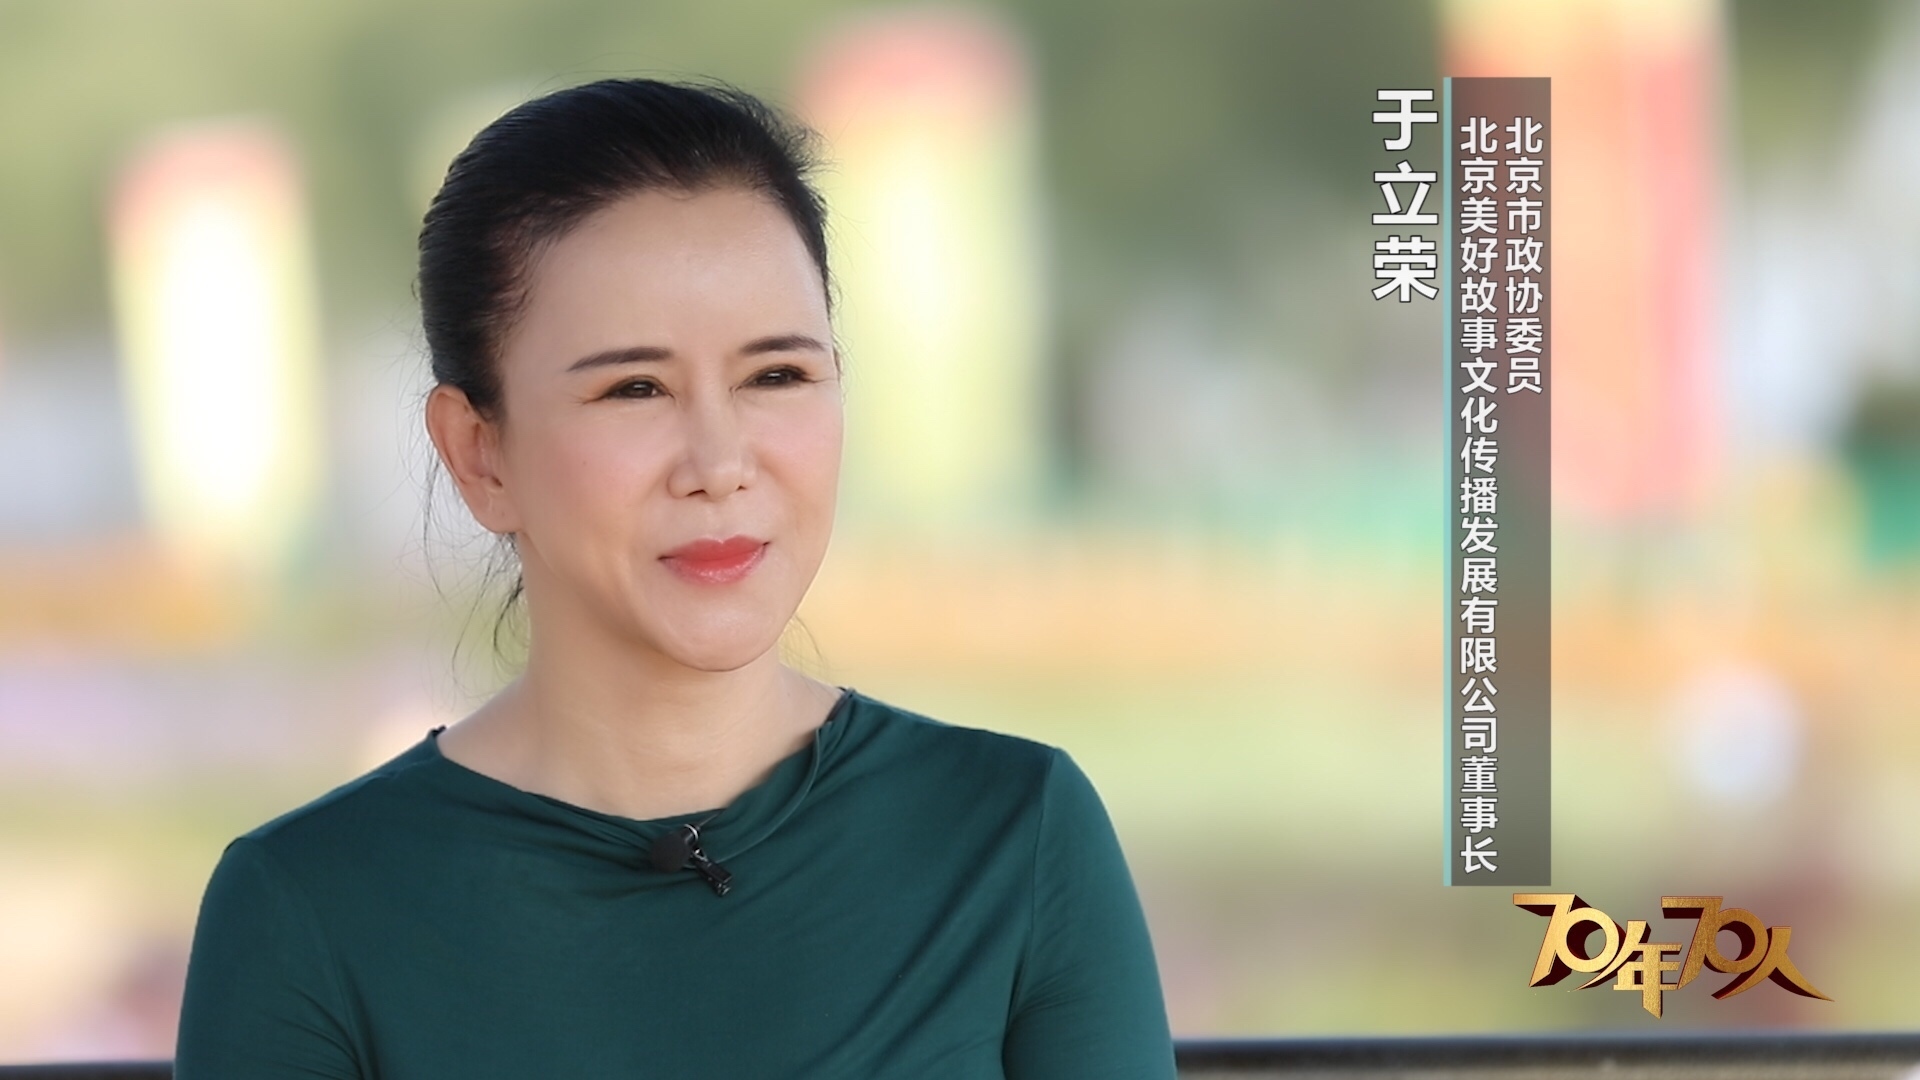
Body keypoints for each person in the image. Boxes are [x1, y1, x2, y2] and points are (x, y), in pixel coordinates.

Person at [173, 76, 1177, 1079]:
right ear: (480, 454)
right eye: (635, 388)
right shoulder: (308, 910)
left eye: (776, 375)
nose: (720, 463)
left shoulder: (1013, 836)